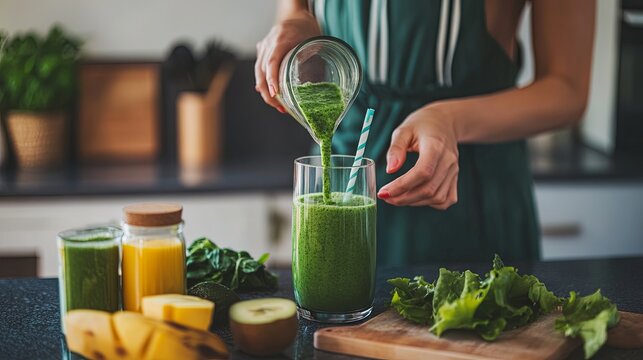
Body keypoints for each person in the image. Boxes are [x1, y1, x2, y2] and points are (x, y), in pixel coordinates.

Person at [255, 0, 595, 266]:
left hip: (468, 185)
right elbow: (298, 9)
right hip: (348, 159)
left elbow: (567, 90)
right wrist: (296, 22)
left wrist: (450, 119)